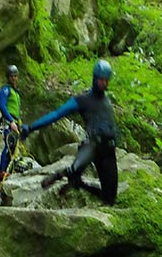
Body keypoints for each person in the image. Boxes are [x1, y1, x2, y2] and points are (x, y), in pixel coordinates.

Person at [21, 58, 118, 205]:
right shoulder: (82, 100)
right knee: (75, 169)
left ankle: (79, 184)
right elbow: (56, 114)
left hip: (108, 150)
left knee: (110, 198)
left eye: (107, 80)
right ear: (95, 79)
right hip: (92, 145)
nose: (105, 84)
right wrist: (31, 127)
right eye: (102, 80)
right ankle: (61, 174)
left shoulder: (107, 100)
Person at [0, 63, 21, 185]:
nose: (14, 78)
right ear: (8, 77)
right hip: (8, 122)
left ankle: (7, 171)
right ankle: (2, 172)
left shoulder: (16, 92)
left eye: (15, 76)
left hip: (15, 122)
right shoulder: (5, 90)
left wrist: (18, 122)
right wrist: (11, 121)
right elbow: (2, 106)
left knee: (13, 148)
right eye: (12, 76)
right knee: (8, 146)